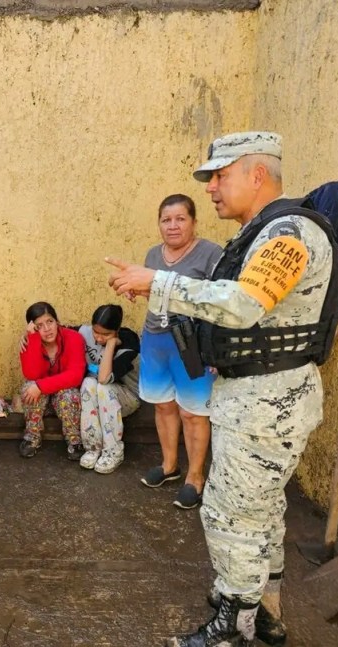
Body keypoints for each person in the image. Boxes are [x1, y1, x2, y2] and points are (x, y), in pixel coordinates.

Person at [108, 132, 338, 647]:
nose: (211, 187)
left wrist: (158, 283)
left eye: (220, 175)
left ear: (257, 175)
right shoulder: (260, 232)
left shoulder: (289, 233)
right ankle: (265, 611)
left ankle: (234, 624)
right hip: (256, 396)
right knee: (261, 512)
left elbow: (244, 303)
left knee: (232, 514)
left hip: (267, 402)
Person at [138, 195, 223, 509]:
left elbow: (222, 301)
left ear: (194, 222)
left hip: (191, 343)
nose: (172, 226)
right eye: (166, 220)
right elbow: (155, 293)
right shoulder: (152, 254)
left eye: (180, 219)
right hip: (155, 339)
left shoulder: (211, 253)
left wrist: (215, 350)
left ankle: (195, 478)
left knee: (193, 412)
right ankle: (169, 465)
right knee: (163, 406)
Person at [77, 304, 140, 474]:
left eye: (106, 334)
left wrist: (111, 344)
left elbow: (104, 378)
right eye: (96, 332)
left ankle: (113, 451)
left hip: (128, 397)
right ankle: (92, 447)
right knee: (88, 383)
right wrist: (29, 334)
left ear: (117, 330)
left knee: (104, 388)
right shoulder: (84, 332)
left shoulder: (129, 343)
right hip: (98, 395)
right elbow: (57, 331)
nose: (99, 338)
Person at [18, 302, 86, 460]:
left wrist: (42, 386)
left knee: (69, 394)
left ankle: (74, 440)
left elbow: (76, 375)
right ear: (33, 328)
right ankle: (32, 437)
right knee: (29, 387)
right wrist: (33, 339)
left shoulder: (73, 338)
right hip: (41, 402)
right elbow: (32, 374)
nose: (47, 329)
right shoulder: (29, 341)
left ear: (57, 321)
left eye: (50, 321)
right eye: (39, 326)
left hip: (64, 399)